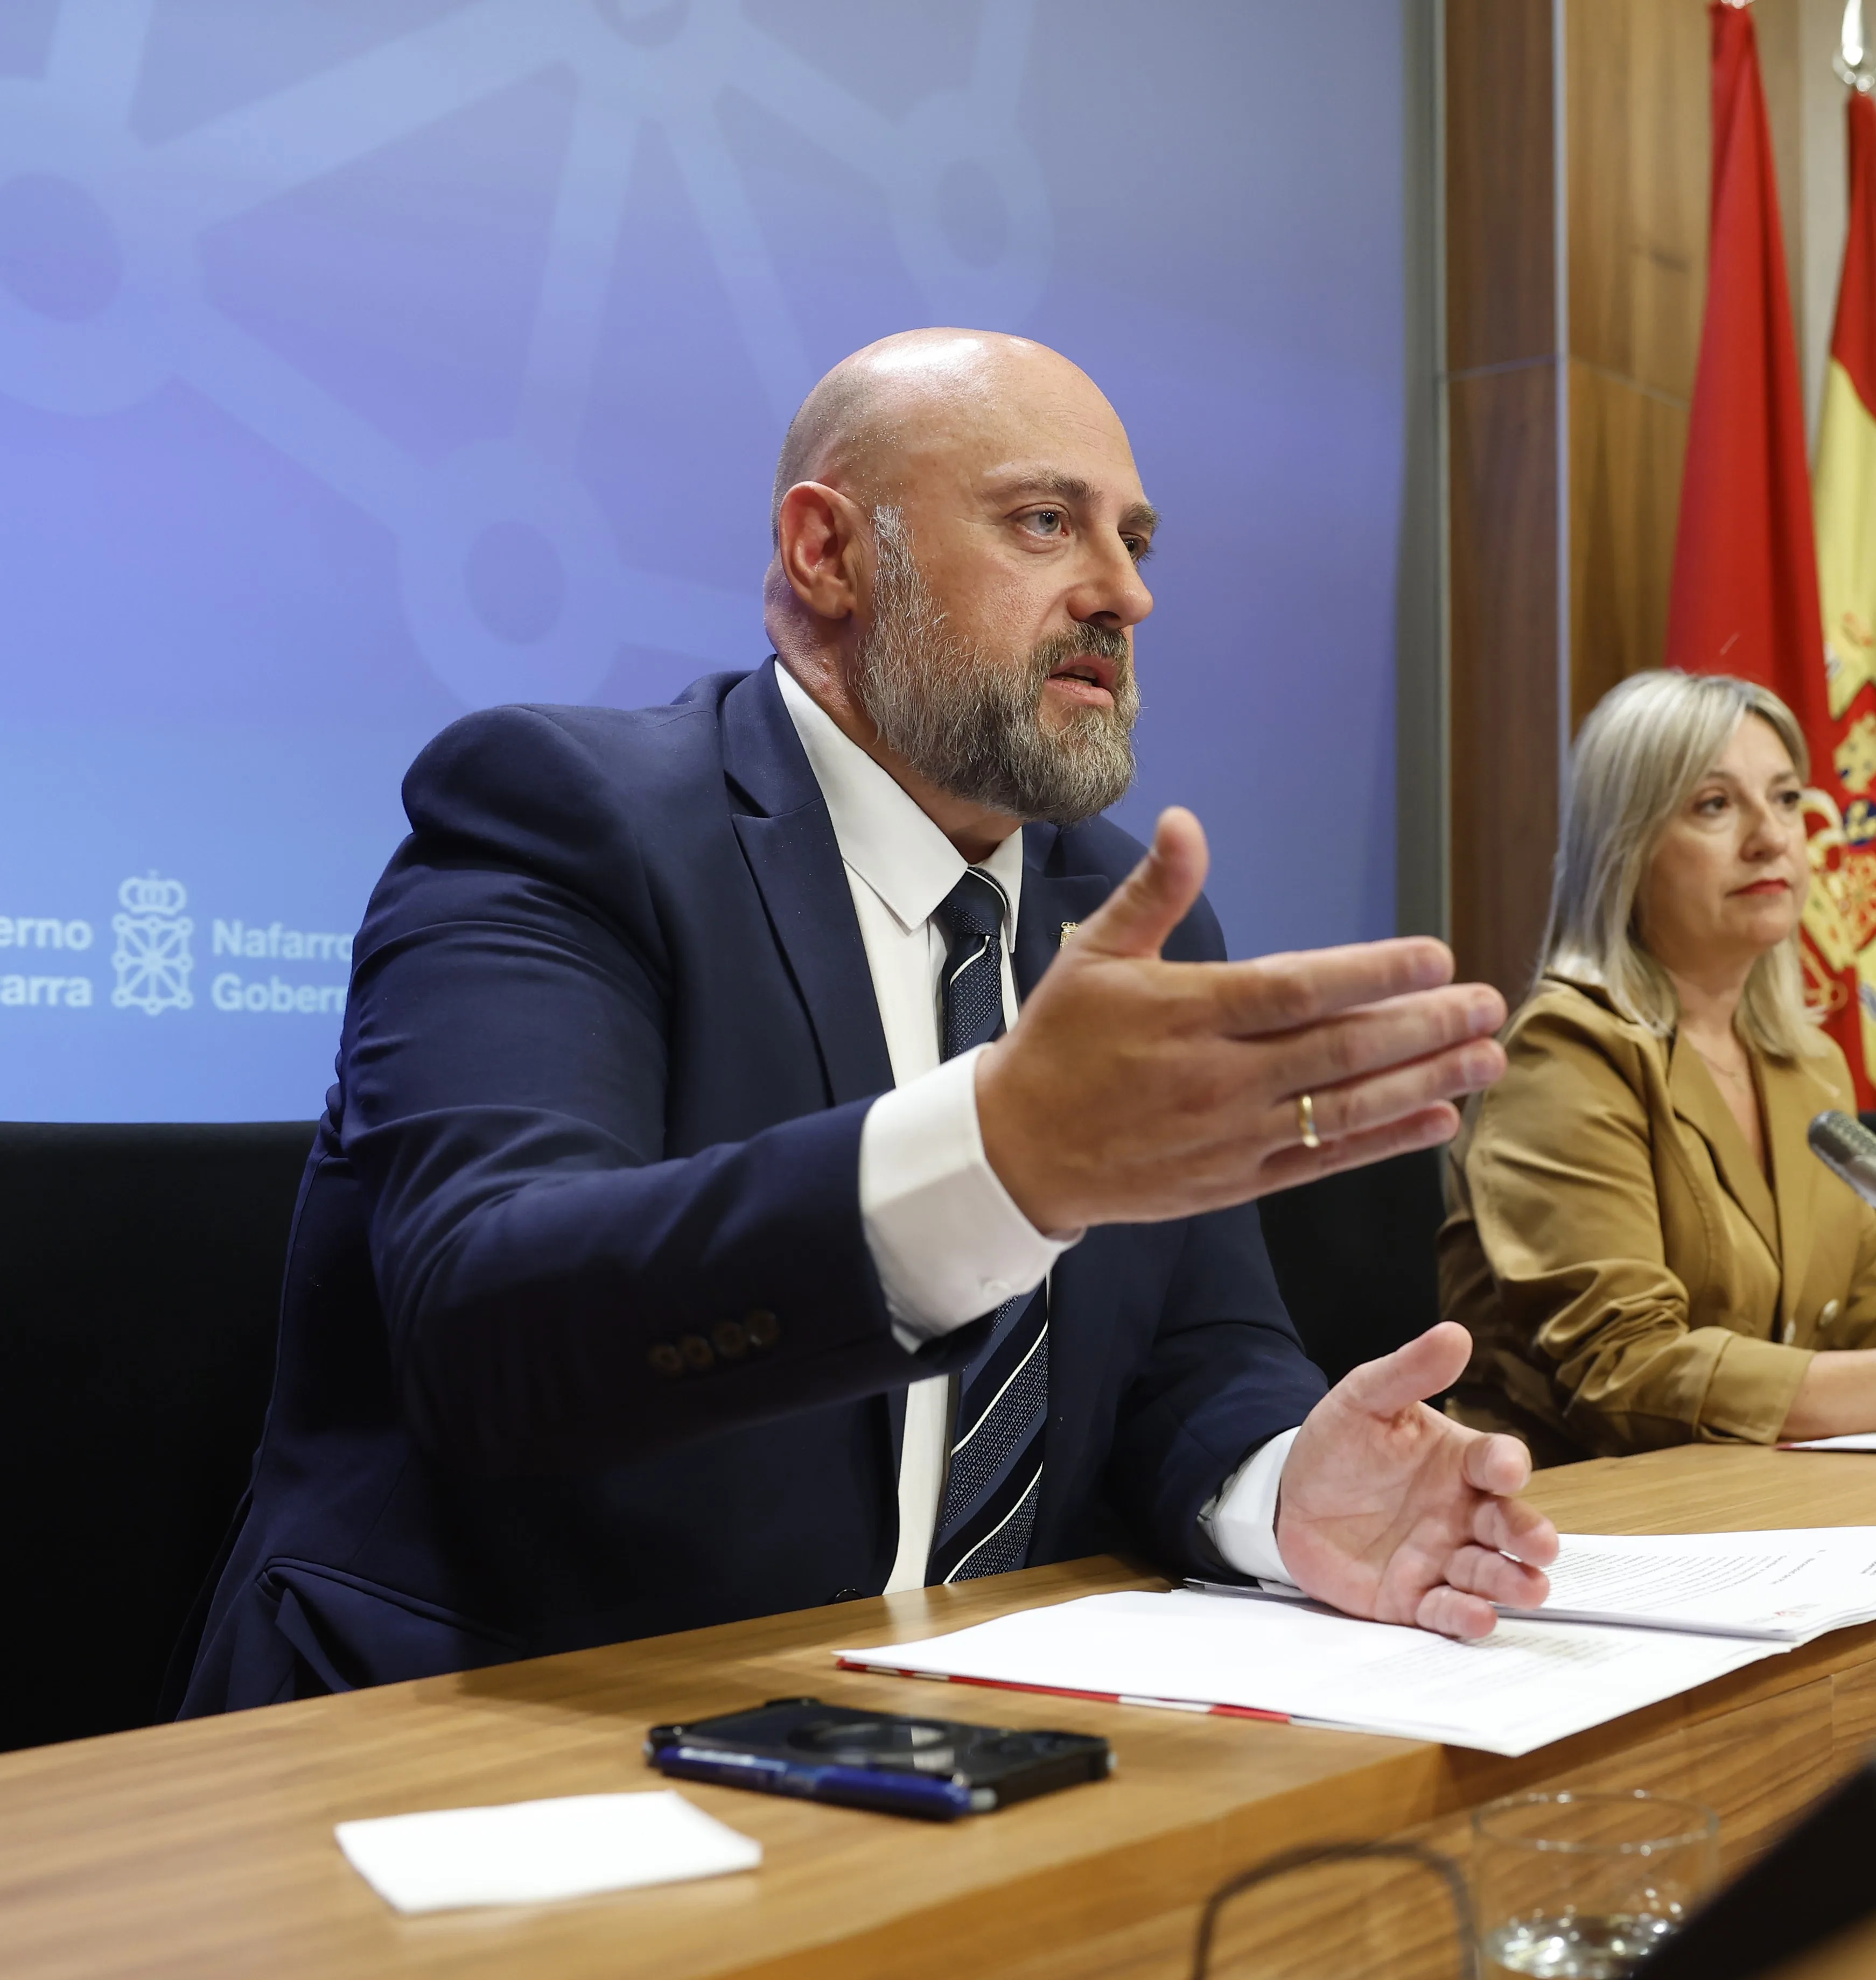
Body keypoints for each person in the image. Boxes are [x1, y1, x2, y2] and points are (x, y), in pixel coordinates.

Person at [181, 329, 1557, 1714]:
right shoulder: (563, 820)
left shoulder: (1124, 914)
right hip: (487, 1735)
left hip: (944, 1748)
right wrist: (988, 1158)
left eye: (1135, 540)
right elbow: (491, 1325)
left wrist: (1277, 1483)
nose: (1126, 593)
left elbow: (1194, 1350)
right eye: (1044, 522)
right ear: (828, 552)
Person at [1436, 670, 1876, 1467]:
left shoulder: (1804, 1063)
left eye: (1785, 799)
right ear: (1626, 848)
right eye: (1715, 805)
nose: (1772, 837)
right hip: (1567, 1519)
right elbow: (1626, 1375)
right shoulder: (1564, 1054)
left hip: (1775, 1502)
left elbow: (1874, 1313)